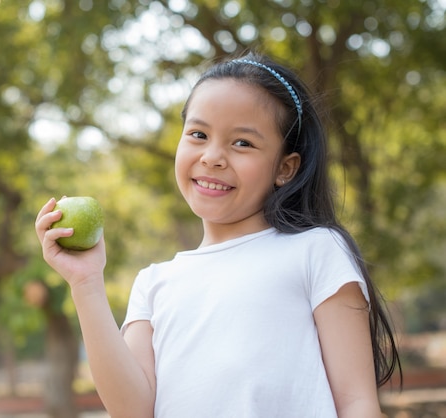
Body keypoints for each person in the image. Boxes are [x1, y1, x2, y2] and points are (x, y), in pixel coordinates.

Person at [35, 51, 401, 418]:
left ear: (285, 168)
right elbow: (133, 411)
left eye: (242, 143)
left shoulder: (316, 250)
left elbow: (357, 403)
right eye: (198, 134)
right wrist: (86, 284)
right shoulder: (154, 283)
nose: (212, 156)